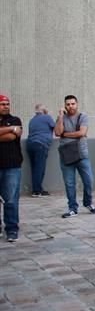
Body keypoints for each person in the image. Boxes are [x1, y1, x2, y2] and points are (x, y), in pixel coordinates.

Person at [55, 95, 95, 218]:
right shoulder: (61, 117)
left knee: (89, 181)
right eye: (68, 104)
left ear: (77, 104)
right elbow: (57, 132)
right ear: (64, 105)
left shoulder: (82, 116)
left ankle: (88, 202)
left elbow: (82, 133)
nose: (70, 106)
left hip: (82, 154)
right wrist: (61, 117)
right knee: (69, 183)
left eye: (73, 104)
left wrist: (65, 134)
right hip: (66, 155)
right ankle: (73, 208)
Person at [0, 95, 24, 243]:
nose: (6, 106)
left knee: (10, 199)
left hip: (12, 165)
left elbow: (12, 137)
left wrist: (10, 131)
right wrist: (9, 129)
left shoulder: (16, 120)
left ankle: (12, 228)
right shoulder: (12, 125)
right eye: (2, 104)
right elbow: (10, 134)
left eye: (7, 103)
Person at [26, 104, 55, 197]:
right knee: (39, 168)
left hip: (30, 144)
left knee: (34, 168)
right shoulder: (47, 117)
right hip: (41, 144)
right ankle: (37, 191)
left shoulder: (32, 120)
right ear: (44, 111)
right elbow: (56, 127)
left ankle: (36, 189)